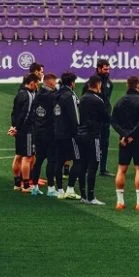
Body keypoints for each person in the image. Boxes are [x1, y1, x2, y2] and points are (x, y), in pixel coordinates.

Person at [112, 76, 139, 210]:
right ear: (138, 86)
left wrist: (124, 135)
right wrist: (131, 135)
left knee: (121, 169)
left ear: (127, 85)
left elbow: (113, 122)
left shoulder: (119, 101)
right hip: (137, 139)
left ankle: (120, 202)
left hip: (123, 140)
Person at [76, 75, 108, 205]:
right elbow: (105, 118)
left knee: (82, 165)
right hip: (93, 135)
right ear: (98, 84)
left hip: (80, 134)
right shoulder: (98, 100)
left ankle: (83, 195)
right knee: (93, 165)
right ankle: (91, 196)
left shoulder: (81, 99)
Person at [83, 59, 114, 177]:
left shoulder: (109, 84)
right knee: (91, 143)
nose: (107, 71)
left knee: (105, 143)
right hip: (93, 120)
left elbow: (106, 101)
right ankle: (87, 168)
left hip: (104, 118)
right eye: (105, 69)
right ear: (99, 68)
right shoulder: (90, 84)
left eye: (108, 69)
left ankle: (103, 168)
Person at [29, 73, 59, 197]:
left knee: (38, 160)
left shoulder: (37, 94)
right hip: (49, 133)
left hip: (38, 132)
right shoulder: (52, 96)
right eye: (55, 82)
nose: (55, 84)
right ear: (50, 83)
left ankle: (34, 187)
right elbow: (57, 113)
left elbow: (33, 113)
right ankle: (51, 188)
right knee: (51, 161)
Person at [9, 73, 40, 193]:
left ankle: (17, 183)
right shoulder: (28, 95)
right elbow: (25, 114)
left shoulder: (20, 93)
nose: (38, 85)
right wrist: (18, 128)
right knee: (28, 157)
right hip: (26, 130)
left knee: (18, 155)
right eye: (37, 83)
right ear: (32, 82)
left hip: (19, 129)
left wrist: (13, 126)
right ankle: (26, 185)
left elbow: (14, 112)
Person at [54, 72, 82, 200]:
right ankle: (70, 189)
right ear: (72, 83)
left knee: (59, 161)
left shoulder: (56, 94)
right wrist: (78, 131)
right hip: (70, 133)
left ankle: (59, 190)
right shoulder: (70, 95)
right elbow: (75, 116)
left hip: (57, 132)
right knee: (78, 160)